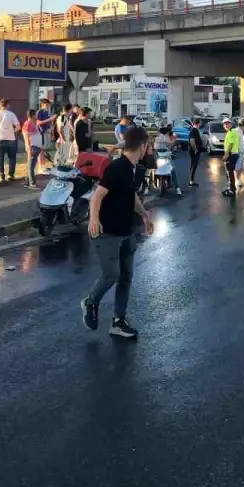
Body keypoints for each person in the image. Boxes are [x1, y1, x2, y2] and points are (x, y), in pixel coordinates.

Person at [81, 126, 155, 340]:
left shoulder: (133, 168)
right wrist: (94, 219)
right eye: (146, 147)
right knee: (111, 275)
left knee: (126, 277)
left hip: (126, 231)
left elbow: (130, 196)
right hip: (108, 233)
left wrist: (145, 215)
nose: (146, 151)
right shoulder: (117, 167)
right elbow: (97, 195)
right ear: (141, 147)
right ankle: (90, 302)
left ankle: (118, 322)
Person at [0, 98, 21, 182]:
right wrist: (12, 131)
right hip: (10, 138)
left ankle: (1, 176)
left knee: (0, 158)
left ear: (0, 105)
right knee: (12, 157)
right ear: (8, 105)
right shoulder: (11, 114)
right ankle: (11, 175)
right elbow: (18, 127)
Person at [154, 126, 183, 195]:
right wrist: (175, 138)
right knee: (173, 171)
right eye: (167, 133)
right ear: (166, 133)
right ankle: (177, 188)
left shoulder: (157, 138)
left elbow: (169, 145)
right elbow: (170, 143)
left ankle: (148, 186)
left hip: (158, 158)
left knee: (153, 169)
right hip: (166, 158)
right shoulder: (163, 137)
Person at [22, 109, 43, 190]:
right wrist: (29, 148)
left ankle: (27, 182)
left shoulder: (33, 123)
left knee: (30, 165)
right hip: (33, 147)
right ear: (33, 115)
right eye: (35, 114)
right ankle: (32, 183)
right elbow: (27, 137)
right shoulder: (27, 124)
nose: (36, 116)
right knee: (31, 166)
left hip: (36, 147)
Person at [221, 118, 240, 197]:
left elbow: (231, 144)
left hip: (232, 154)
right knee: (229, 172)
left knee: (230, 172)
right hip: (231, 154)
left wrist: (226, 154)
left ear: (231, 124)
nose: (226, 125)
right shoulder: (229, 132)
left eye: (228, 123)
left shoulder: (232, 132)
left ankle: (232, 190)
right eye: (225, 124)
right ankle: (231, 188)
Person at [187, 118, 204, 188]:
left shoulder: (195, 130)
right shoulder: (194, 130)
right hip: (194, 151)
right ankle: (191, 182)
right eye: (200, 122)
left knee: (194, 165)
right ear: (198, 123)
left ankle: (192, 181)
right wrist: (195, 150)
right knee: (194, 165)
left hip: (195, 150)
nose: (201, 124)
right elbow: (191, 140)